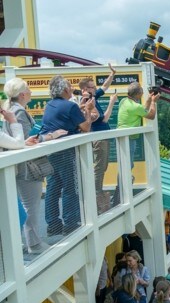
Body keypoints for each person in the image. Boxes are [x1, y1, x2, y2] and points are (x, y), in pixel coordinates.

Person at [2, 78, 65, 253]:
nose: (30, 92)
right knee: (31, 206)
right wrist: (51, 136)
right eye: (28, 90)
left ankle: (24, 242)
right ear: (22, 94)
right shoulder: (19, 113)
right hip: (27, 167)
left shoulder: (10, 110)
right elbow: (25, 141)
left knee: (22, 206)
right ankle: (34, 244)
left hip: (17, 166)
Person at [41, 76, 95, 236]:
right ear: (65, 90)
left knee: (53, 187)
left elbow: (63, 119)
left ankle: (52, 224)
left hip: (50, 150)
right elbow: (85, 127)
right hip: (65, 151)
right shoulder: (70, 106)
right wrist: (89, 110)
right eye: (70, 87)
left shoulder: (50, 105)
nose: (72, 89)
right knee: (70, 187)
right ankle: (71, 223)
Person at [78, 63, 117, 211]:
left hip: (103, 137)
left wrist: (112, 74)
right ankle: (96, 192)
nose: (95, 88)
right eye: (91, 87)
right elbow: (104, 118)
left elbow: (105, 87)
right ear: (85, 89)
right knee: (99, 167)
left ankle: (98, 191)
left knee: (103, 166)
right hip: (98, 138)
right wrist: (112, 103)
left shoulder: (94, 97)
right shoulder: (88, 102)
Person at [117, 81, 159, 168]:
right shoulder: (136, 107)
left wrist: (148, 99)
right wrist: (153, 102)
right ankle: (125, 181)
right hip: (129, 137)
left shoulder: (124, 101)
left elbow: (141, 111)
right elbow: (151, 116)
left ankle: (123, 181)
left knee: (124, 164)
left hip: (121, 136)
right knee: (128, 165)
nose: (143, 93)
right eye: (142, 92)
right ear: (137, 94)